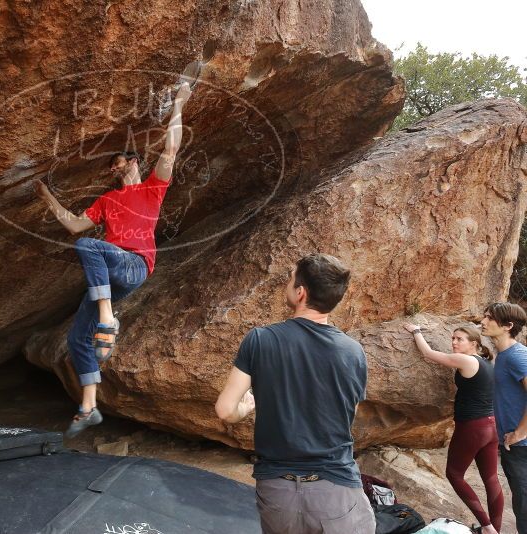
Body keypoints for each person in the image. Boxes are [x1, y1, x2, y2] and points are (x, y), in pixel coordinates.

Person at [34, 82, 192, 438]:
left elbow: (171, 149)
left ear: (133, 161)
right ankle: (89, 407)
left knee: (91, 248)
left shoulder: (152, 188)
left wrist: (179, 103)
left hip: (135, 266)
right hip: (112, 275)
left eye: (118, 161)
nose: (113, 167)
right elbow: (74, 224)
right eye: (111, 166)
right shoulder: (106, 201)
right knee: (76, 340)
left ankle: (107, 317)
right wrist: (47, 196)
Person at [215, 253, 374, 534]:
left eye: (290, 278)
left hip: (279, 489)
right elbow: (347, 412)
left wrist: (246, 408)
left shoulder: (260, 340)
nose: (287, 282)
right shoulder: (353, 352)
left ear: (301, 293)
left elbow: (226, 410)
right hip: (335, 488)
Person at [403, 322, 502, 534]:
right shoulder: (485, 362)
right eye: (453, 338)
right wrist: (472, 326)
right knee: (491, 478)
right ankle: (496, 530)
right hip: (490, 426)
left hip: (472, 428)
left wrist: (416, 331)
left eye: (459, 339)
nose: (454, 342)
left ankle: (486, 526)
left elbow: (428, 353)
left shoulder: (464, 360)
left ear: (473, 344)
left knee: (454, 474)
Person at [481, 302, 527, 533]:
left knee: (524, 505)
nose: (483, 321)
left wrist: (520, 433)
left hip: (521, 445)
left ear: (508, 326)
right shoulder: (504, 355)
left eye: (490, 318)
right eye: (485, 316)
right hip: (512, 443)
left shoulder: (516, 356)